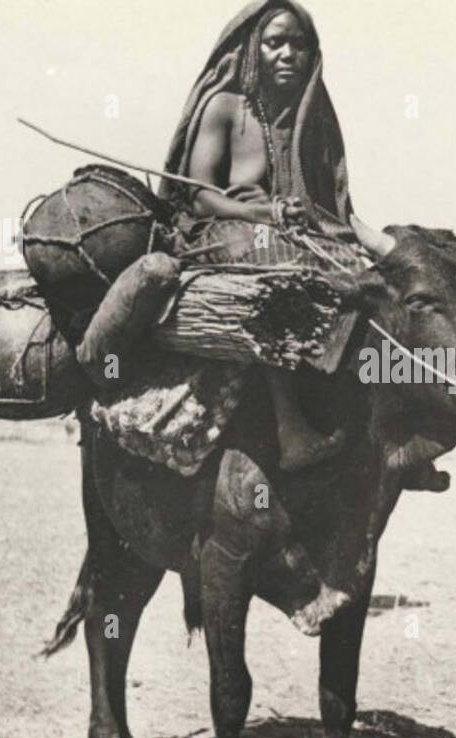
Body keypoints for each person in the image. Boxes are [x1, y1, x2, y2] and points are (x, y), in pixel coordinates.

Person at [158, 1, 352, 471]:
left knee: (363, 281)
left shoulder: (314, 124)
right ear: (252, 50)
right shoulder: (225, 108)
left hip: (295, 236)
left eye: (298, 44)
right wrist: (260, 212)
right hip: (225, 236)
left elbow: (332, 206)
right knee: (276, 270)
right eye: (275, 42)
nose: (287, 53)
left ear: (312, 54)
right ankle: (291, 428)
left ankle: (398, 439)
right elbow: (199, 196)